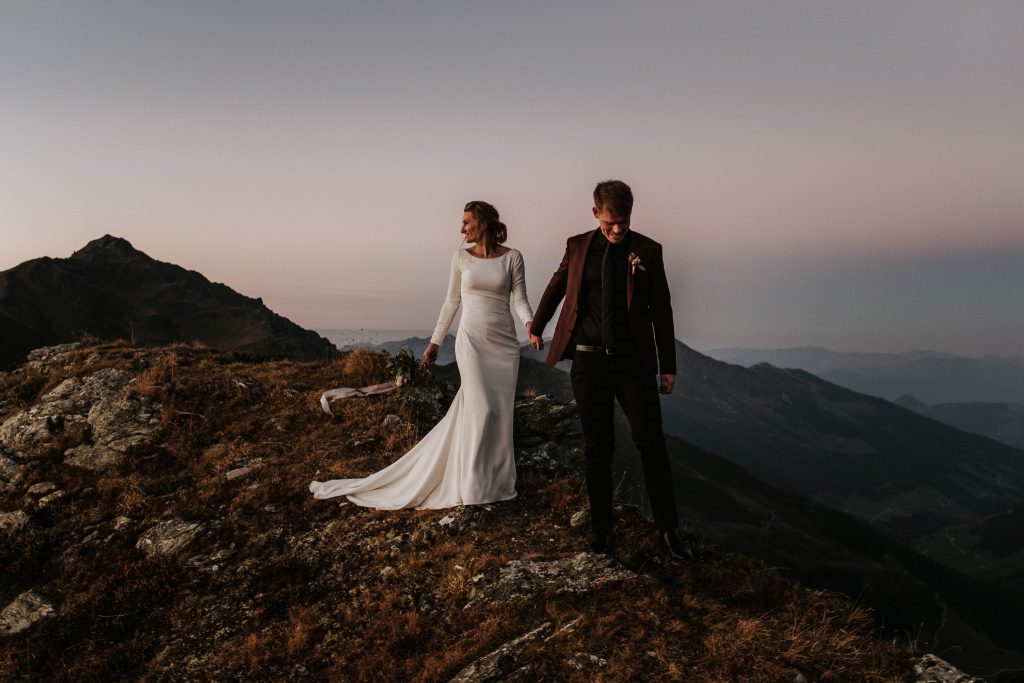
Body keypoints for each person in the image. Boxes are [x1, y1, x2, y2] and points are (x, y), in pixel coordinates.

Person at [309, 201, 534, 509]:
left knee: (499, 412)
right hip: (472, 342)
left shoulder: (513, 258)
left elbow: (520, 299)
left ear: (481, 222)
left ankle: (496, 481)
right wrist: (435, 343)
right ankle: (472, 485)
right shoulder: (460, 258)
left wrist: (530, 324)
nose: (461, 228)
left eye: (466, 221)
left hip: (504, 345)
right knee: (480, 406)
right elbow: (451, 302)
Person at [528, 180, 693, 559]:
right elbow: (557, 286)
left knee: (651, 442)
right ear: (595, 213)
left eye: (624, 221)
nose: (617, 229)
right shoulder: (577, 245)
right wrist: (537, 325)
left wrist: (668, 366)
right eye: (610, 222)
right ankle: (601, 532)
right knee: (597, 447)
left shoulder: (648, 250)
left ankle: (669, 531)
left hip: (633, 363)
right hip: (587, 360)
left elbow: (661, 310)